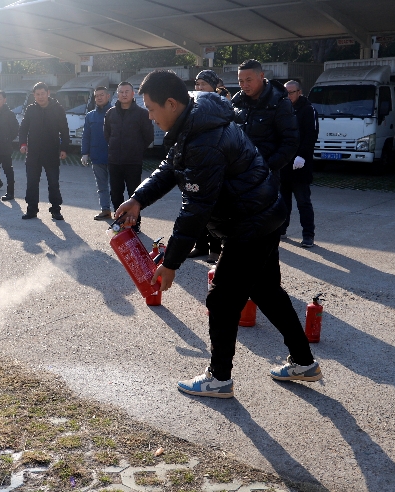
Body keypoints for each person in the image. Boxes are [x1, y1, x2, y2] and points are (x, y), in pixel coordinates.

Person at [116, 70, 322, 399]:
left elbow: (195, 209)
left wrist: (170, 264)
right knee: (267, 290)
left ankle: (219, 378)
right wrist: (139, 198)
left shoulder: (203, 140)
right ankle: (303, 362)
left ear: (171, 103)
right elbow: (171, 165)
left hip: (250, 224)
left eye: (152, 110)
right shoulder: (195, 115)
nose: (151, 117)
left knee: (223, 299)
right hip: (265, 213)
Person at [232, 59, 299, 176]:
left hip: (265, 176)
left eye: (248, 80)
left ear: (261, 76)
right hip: (238, 173)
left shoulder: (279, 103)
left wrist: (267, 166)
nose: (244, 85)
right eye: (241, 81)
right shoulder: (236, 102)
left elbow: (290, 141)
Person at [104, 81, 154, 232]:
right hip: (114, 160)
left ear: (133, 94)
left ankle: (134, 224)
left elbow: (148, 136)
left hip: (133, 161)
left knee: (134, 193)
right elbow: (107, 135)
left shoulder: (142, 113)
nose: (124, 94)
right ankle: (119, 222)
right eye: (121, 92)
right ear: (117, 95)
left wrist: (137, 149)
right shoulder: (111, 113)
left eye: (127, 91)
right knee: (116, 192)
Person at [188, 69, 226, 262]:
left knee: (214, 210)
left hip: (215, 165)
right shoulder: (192, 104)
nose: (199, 87)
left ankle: (216, 249)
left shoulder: (223, 103)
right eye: (197, 84)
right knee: (196, 209)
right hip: (196, 165)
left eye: (203, 84)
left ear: (213, 85)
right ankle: (200, 245)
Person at [18, 82, 69, 221]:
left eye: (43, 93)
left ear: (48, 93)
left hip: (51, 153)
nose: (40, 97)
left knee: (53, 183)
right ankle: (31, 210)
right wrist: (23, 144)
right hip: (33, 153)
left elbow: (64, 131)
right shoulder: (30, 109)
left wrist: (64, 148)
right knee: (32, 183)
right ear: (34, 96)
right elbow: (23, 129)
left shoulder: (57, 109)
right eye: (37, 94)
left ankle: (56, 210)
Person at [280, 80, 318, 248]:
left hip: (300, 164)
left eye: (291, 92)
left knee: (303, 201)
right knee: (283, 201)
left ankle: (308, 234)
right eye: (285, 93)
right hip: (284, 163)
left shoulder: (308, 110)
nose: (288, 96)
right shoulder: (282, 109)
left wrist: (302, 156)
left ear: (299, 92)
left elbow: (311, 135)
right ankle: (281, 229)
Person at [81, 86, 112, 220]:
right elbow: (86, 135)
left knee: (116, 187)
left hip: (114, 157)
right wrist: (84, 153)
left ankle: (120, 212)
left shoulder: (115, 113)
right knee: (101, 186)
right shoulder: (90, 116)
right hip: (97, 156)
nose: (99, 97)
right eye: (96, 96)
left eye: (101, 95)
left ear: (108, 96)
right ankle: (105, 210)